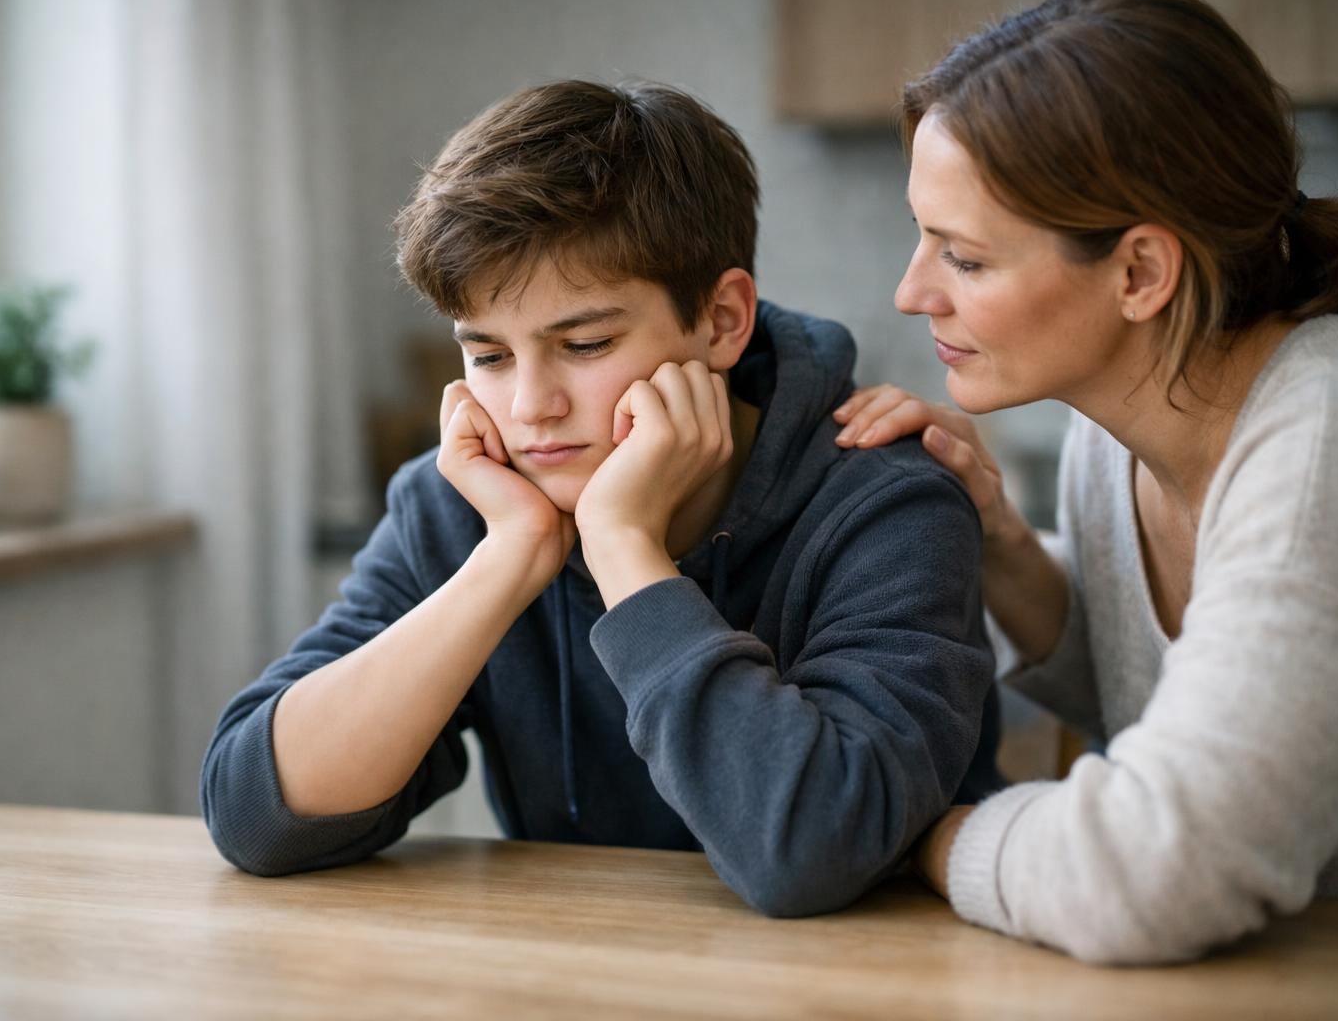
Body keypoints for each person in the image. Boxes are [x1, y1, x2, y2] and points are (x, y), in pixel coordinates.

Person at [200, 79, 1003, 916]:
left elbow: (809, 850)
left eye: (584, 344)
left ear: (725, 320)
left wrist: (623, 543)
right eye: (490, 356)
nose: (529, 407)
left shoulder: (887, 502)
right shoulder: (463, 507)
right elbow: (254, 817)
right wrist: (509, 559)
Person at [835, 0, 1338, 964]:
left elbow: (1161, 874)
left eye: (965, 256)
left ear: (1141, 272)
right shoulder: (1116, 431)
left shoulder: (1321, 442)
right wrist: (1002, 541)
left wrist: (921, 835)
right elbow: (1184, 671)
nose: (914, 292)